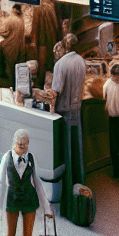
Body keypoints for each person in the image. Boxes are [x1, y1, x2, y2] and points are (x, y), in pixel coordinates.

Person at [49, 33, 87, 197]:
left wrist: (50, 111)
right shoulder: (80, 60)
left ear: (62, 49)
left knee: (64, 152)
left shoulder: (60, 65)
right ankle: (79, 183)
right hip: (76, 109)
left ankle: (66, 189)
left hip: (63, 111)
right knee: (76, 149)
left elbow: (55, 92)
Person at [0, 4, 25, 85]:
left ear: (13, 9)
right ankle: (14, 87)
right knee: (15, 71)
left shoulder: (10, 19)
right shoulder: (21, 21)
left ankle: (10, 88)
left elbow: (4, 32)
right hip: (18, 49)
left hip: (9, 48)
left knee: (9, 70)